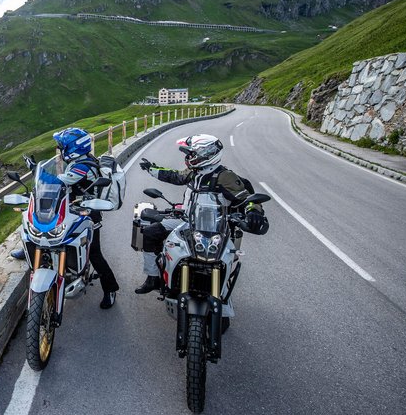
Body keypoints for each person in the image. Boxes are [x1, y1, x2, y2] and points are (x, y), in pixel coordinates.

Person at [135, 134, 268, 294]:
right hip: (187, 221)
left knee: (223, 257)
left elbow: (246, 198)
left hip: (216, 228)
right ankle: (153, 278)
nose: (190, 157)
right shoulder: (195, 172)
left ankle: (220, 288)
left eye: (192, 153)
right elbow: (175, 176)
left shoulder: (225, 176)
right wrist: (152, 168)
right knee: (149, 233)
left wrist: (254, 211)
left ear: (207, 154)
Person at [16, 127, 121, 309]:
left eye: (63, 146)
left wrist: (35, 169)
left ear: (73, 148)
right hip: (72, 208)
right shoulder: (80, 162)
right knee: (44, 229)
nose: (60, 150)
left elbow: (59, 181)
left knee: (95, 255)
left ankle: (110, 289)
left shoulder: (83, 167)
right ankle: (32, 247)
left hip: (89, 213)